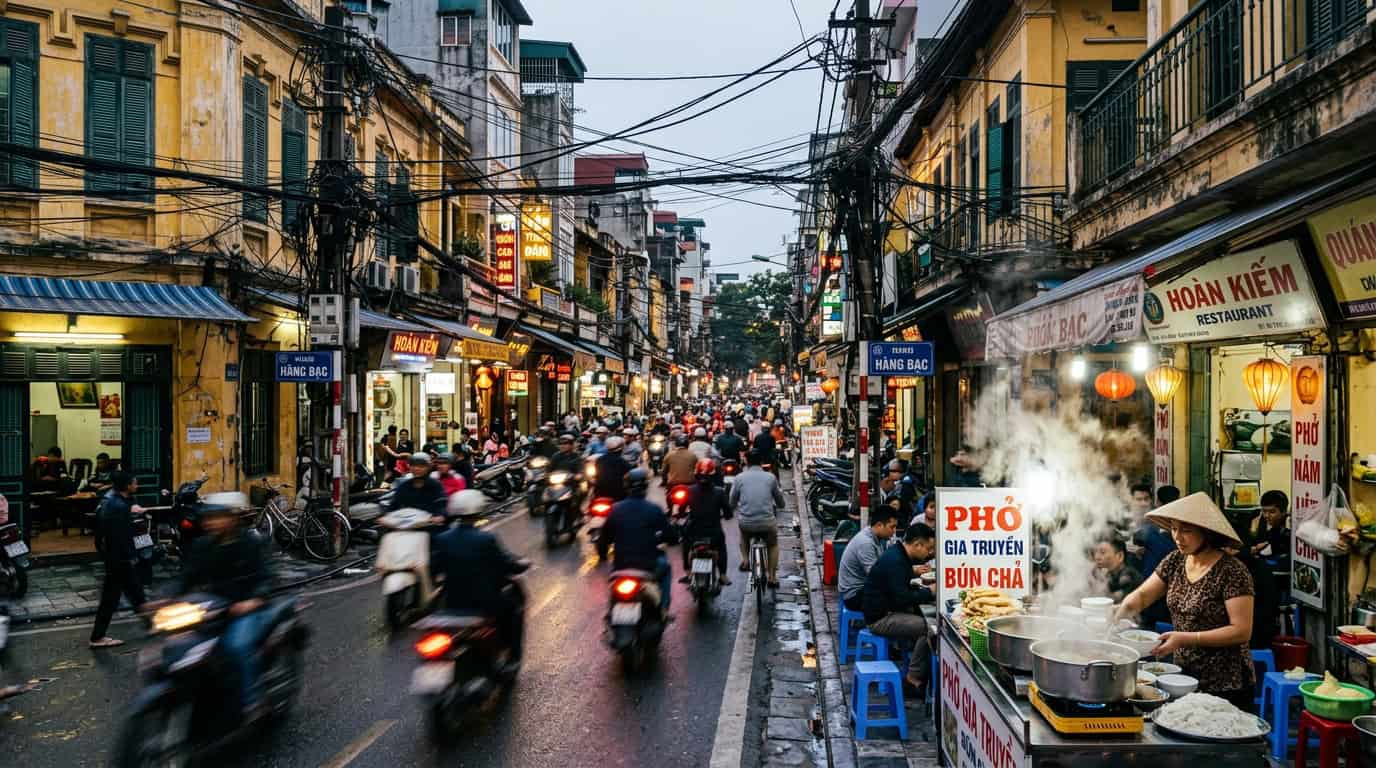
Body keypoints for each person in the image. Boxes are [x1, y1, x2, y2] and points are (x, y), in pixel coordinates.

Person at [1113, 492, 1256, 712]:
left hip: (1225, 681)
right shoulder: (1175, 561)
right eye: (1174, 529)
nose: (1178, 537)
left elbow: (1241, 631)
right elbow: (1141, 597)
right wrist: (1117, 616)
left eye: (1187, 530)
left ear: (1207, 533)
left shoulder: (1233, 571)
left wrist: (1184, 638)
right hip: (1182, 676)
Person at [179, 492, 273, 720]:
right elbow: (187, 577)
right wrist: (164, 598)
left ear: (233, 518)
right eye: (209, 518)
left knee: (236, 645)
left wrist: (251, 601)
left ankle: (251, 700)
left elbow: (265, 579)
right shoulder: (203, 545)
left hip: (244, 609)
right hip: (212, 609)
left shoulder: (250, 543)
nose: (212, 522)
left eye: (218, 517)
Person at [436, 490, 529, 669]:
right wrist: (522, 564)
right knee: (514, 612)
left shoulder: (442, 539)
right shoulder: (486, 539)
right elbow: (507, 563)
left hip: (452, 603)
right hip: (485, 603)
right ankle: (514, 658)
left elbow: (436, 567)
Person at [862, 522, 936, 694]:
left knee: (924, 617)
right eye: (928, 548)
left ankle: (914, 666)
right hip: (880, 618)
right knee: (931, 629)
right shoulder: (896, 560)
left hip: (887, 609)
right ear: (917, 544)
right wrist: (929, 592)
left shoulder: (899, 555)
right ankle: (913, 678)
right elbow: (902, 598)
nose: (930, 553)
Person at [597, 468, 675, 612]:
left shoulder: (615, 509)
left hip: (621, 565)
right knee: (666, 568)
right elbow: (671, 536)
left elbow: (604, 539)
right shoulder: (654, 509)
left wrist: (602, 554)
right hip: (649, 565)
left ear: (626, 486)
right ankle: (663, 608)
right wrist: (669, 540)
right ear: (645, 486)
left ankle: (610, 612)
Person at [89, 471, 147, 648]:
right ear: (127, 486)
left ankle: (155, 625)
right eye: (134, 482)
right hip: (118, 558)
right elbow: (120, 537)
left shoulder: (111, 500)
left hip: (115, 557)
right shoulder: (117, 506)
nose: (137, 485)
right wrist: (130, 557)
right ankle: (97, 637)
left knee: (136, 594)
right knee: (111, 598)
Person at [730, 451, 785, 588]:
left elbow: (731, 501)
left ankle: (745, 560)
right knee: (772, 544)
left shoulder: (739, 478)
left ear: (746, 462)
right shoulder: (770, 478)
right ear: (761, 462)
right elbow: (781, 502)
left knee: (744, 536)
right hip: (767, 523)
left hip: (746, 523)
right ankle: (772, 577)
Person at [678, 458, 733, 585]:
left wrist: (681, 515)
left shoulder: (689, 490)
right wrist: (726, 515)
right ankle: (723, 574)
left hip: (693, 532)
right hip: (714, 532)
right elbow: (728, 513)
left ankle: (687, 572)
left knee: (685, 545)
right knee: (721, 548)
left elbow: (681, 511)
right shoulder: (719, 492)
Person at [1134, 484, 1180, 627]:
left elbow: (1137, 538)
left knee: (1149, 626)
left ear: (1157, 502)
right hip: (1174, 589)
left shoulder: (1151, 527)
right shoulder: (1182, 527)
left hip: (1153, 587)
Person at [838, 507, 900, 612]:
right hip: (854, 596)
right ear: (879, 525)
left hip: (861, 588)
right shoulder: (866, 543)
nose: (894, 532)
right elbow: (875, 577)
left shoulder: (875, 536)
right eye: (892, 527)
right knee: (900, 600)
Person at [1092, 537, 1143, 603]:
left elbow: (1111, 602)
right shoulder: (1110, 574)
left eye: (1102, 552)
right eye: (1095, 552)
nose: (1097, 557)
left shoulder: (1129, 577)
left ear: (1120, 556)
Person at [1253, 490, 1292, 564]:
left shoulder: (1289, 527)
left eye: (1272, 512)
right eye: (1264, 511)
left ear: (1284, 512)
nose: (1266, 516)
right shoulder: (1255, 519)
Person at [592, 436, 632, 501]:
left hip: (599, 494)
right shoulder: (623, 462)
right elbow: (627, 478)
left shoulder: (599, 460)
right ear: (621, 448)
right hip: (618, 495)